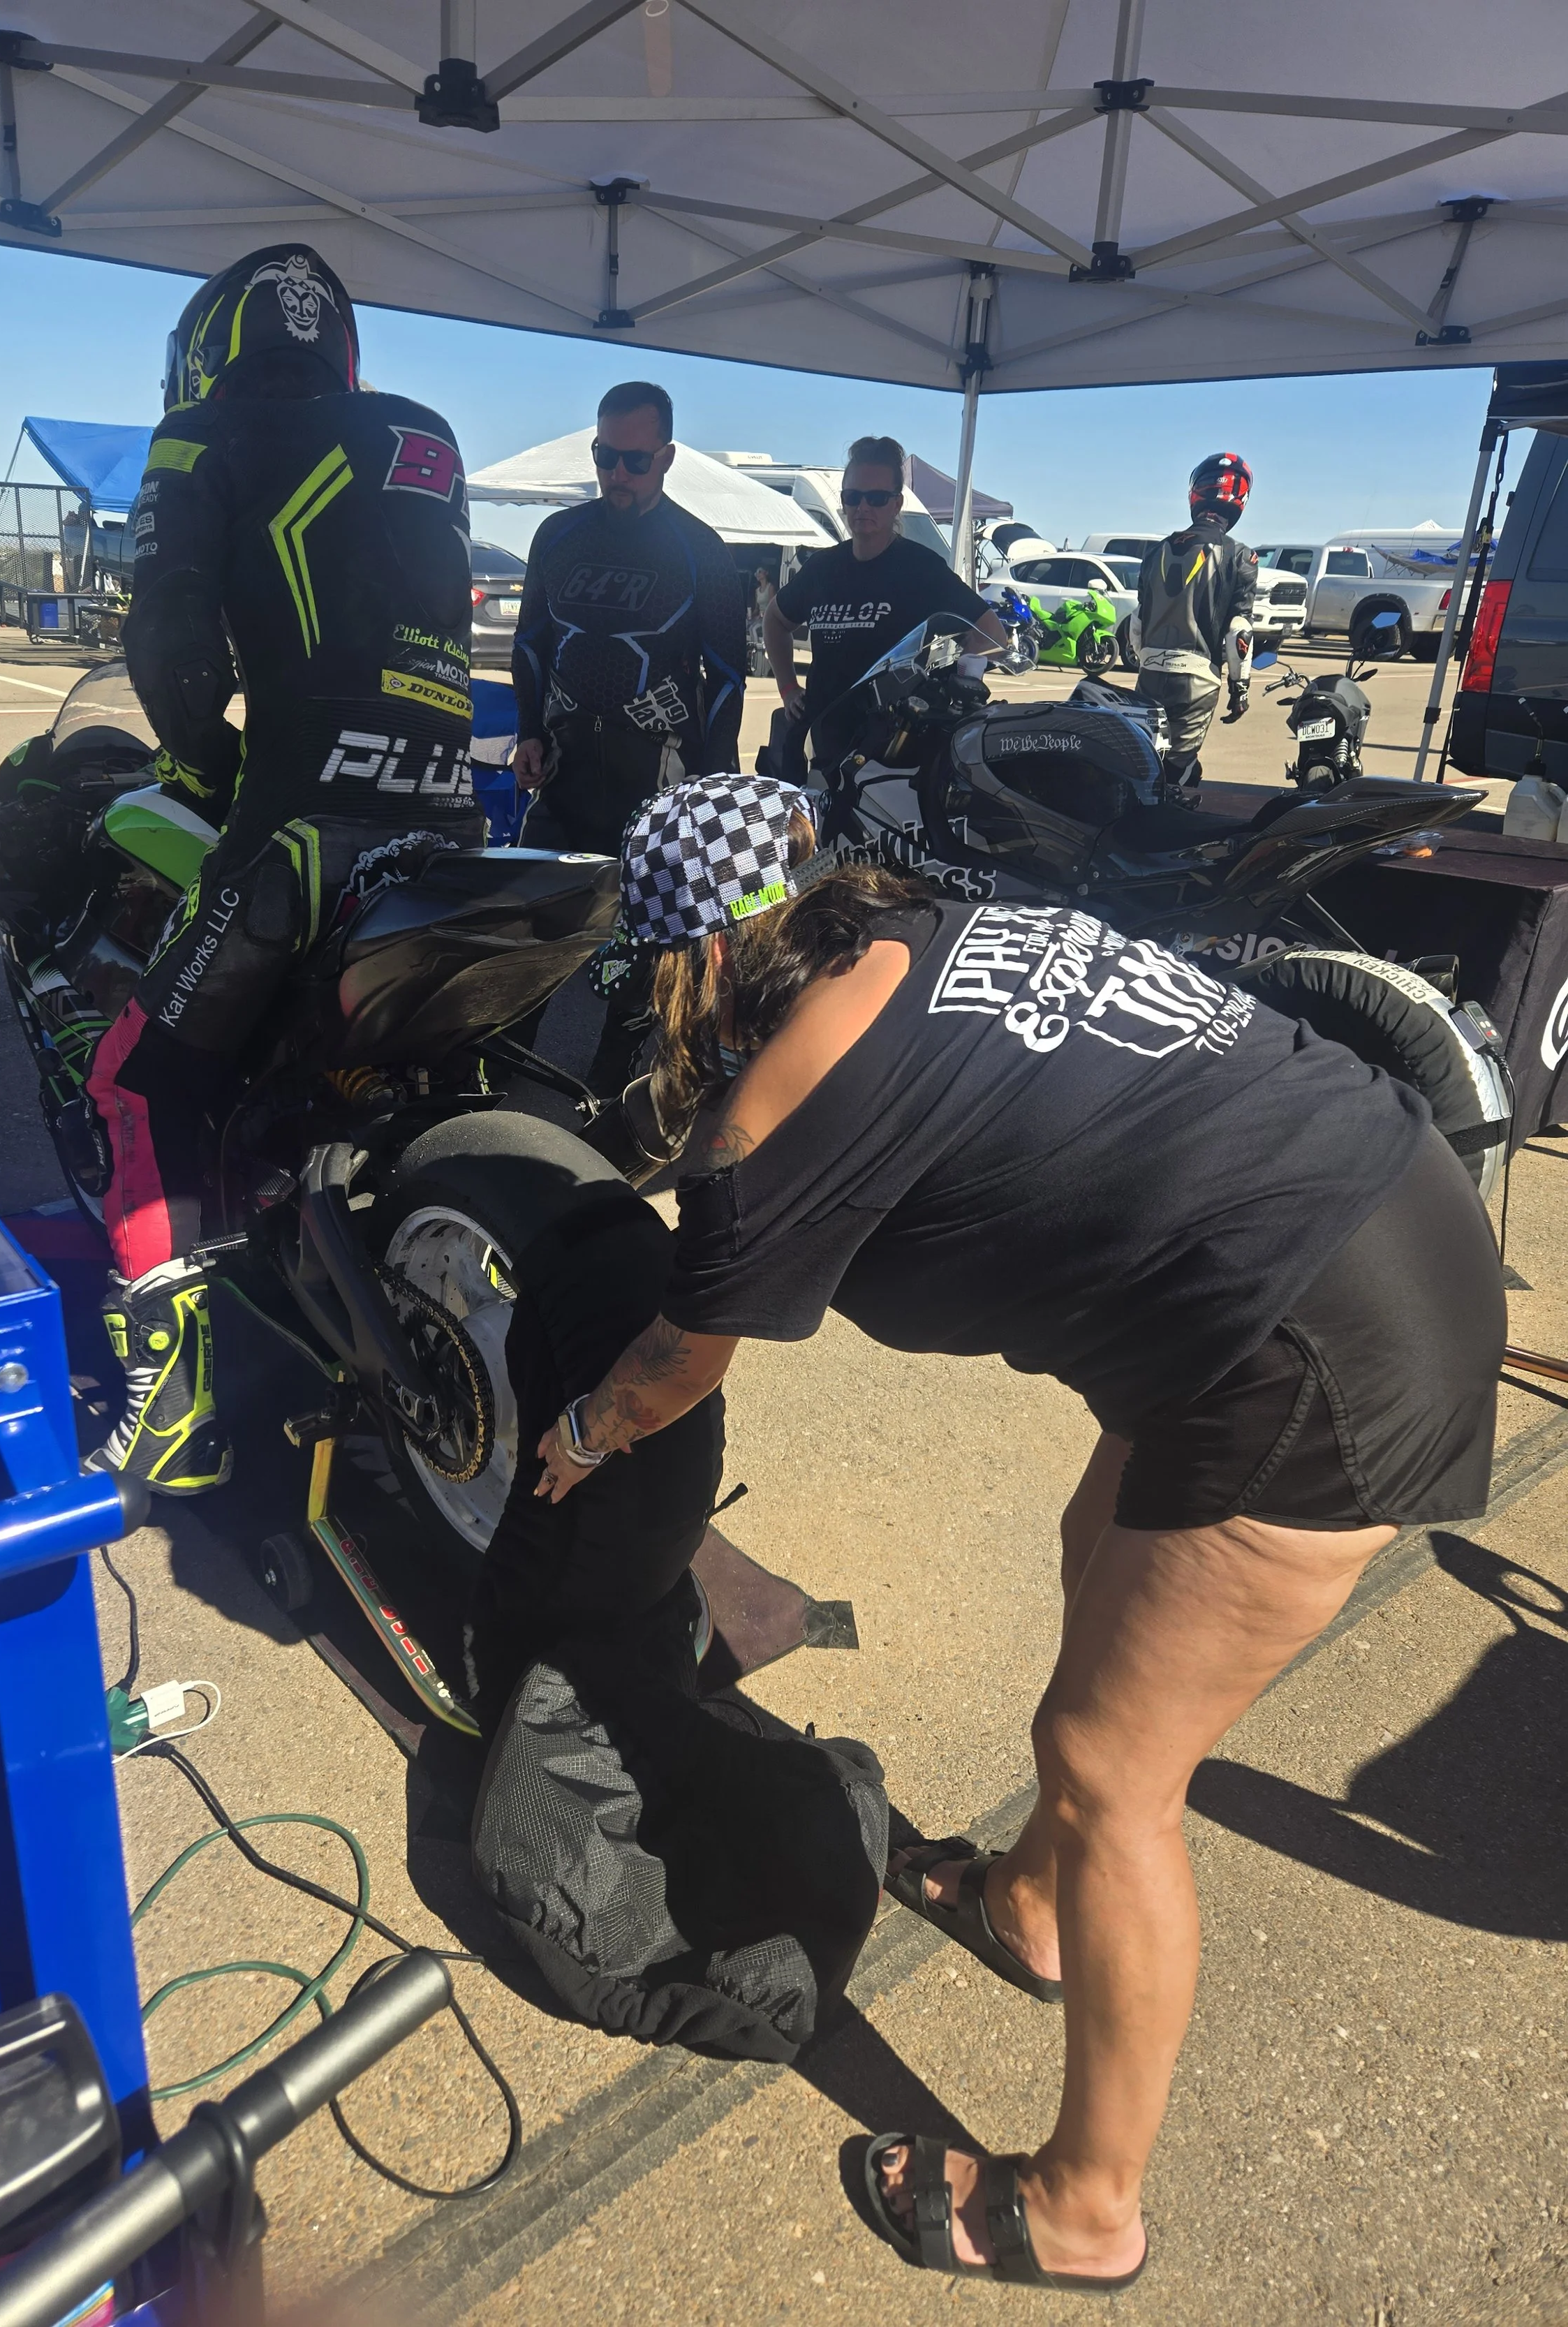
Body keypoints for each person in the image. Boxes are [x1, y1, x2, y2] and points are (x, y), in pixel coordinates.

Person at [533, 771, 1503, 2293]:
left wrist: (581, 1430)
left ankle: (1083, 2205)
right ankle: (1034, 1910)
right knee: (1089, 1538)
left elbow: (678, 1357)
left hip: (1326, 1345)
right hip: (1360, 1201)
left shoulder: (768, 1106)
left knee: (1114, 1768)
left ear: (697, 960)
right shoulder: (920, 925)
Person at [86, 245, 481, 1494]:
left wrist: (200, 768)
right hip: (452, 823)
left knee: (138, 1076)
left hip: (308, 824)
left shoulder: (201, 435)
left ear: (209, 347)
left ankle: (173, 1401)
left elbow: (173, 644)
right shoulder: (425, 429)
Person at [510, 382, 746, 1097]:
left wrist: (712, 781)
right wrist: (527, 732)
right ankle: (497, 1068)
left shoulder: (701, 548)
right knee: (528, 925)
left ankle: (611, 1087)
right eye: (606, 456)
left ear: (667, 456)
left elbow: (729, 676)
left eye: (634, 460)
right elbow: (530, 643)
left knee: (636, 940)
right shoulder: (558, 534)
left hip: (653, 771)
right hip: (565, 760)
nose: (618, 473)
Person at [763, 437, 1003, 771]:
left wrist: (957, 686)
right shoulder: (822, 569)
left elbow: (991, 634)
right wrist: (788, 688)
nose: (863, 508)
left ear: (896, 504)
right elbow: (774, 620)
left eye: (876, 498)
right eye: (853, 497)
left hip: (891, 754)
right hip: (820, 744)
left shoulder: (921, 568)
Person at [1134, 453, 1259, 788]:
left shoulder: (1157, 550)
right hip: (1197, 678)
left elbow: (1137, 620)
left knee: (1146, 758)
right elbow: (1239, 631)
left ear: (1195, 494)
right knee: (1179, 768)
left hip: (1150, 671)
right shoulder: (1240, 555)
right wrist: (1240, 688)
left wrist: (1147, 660)